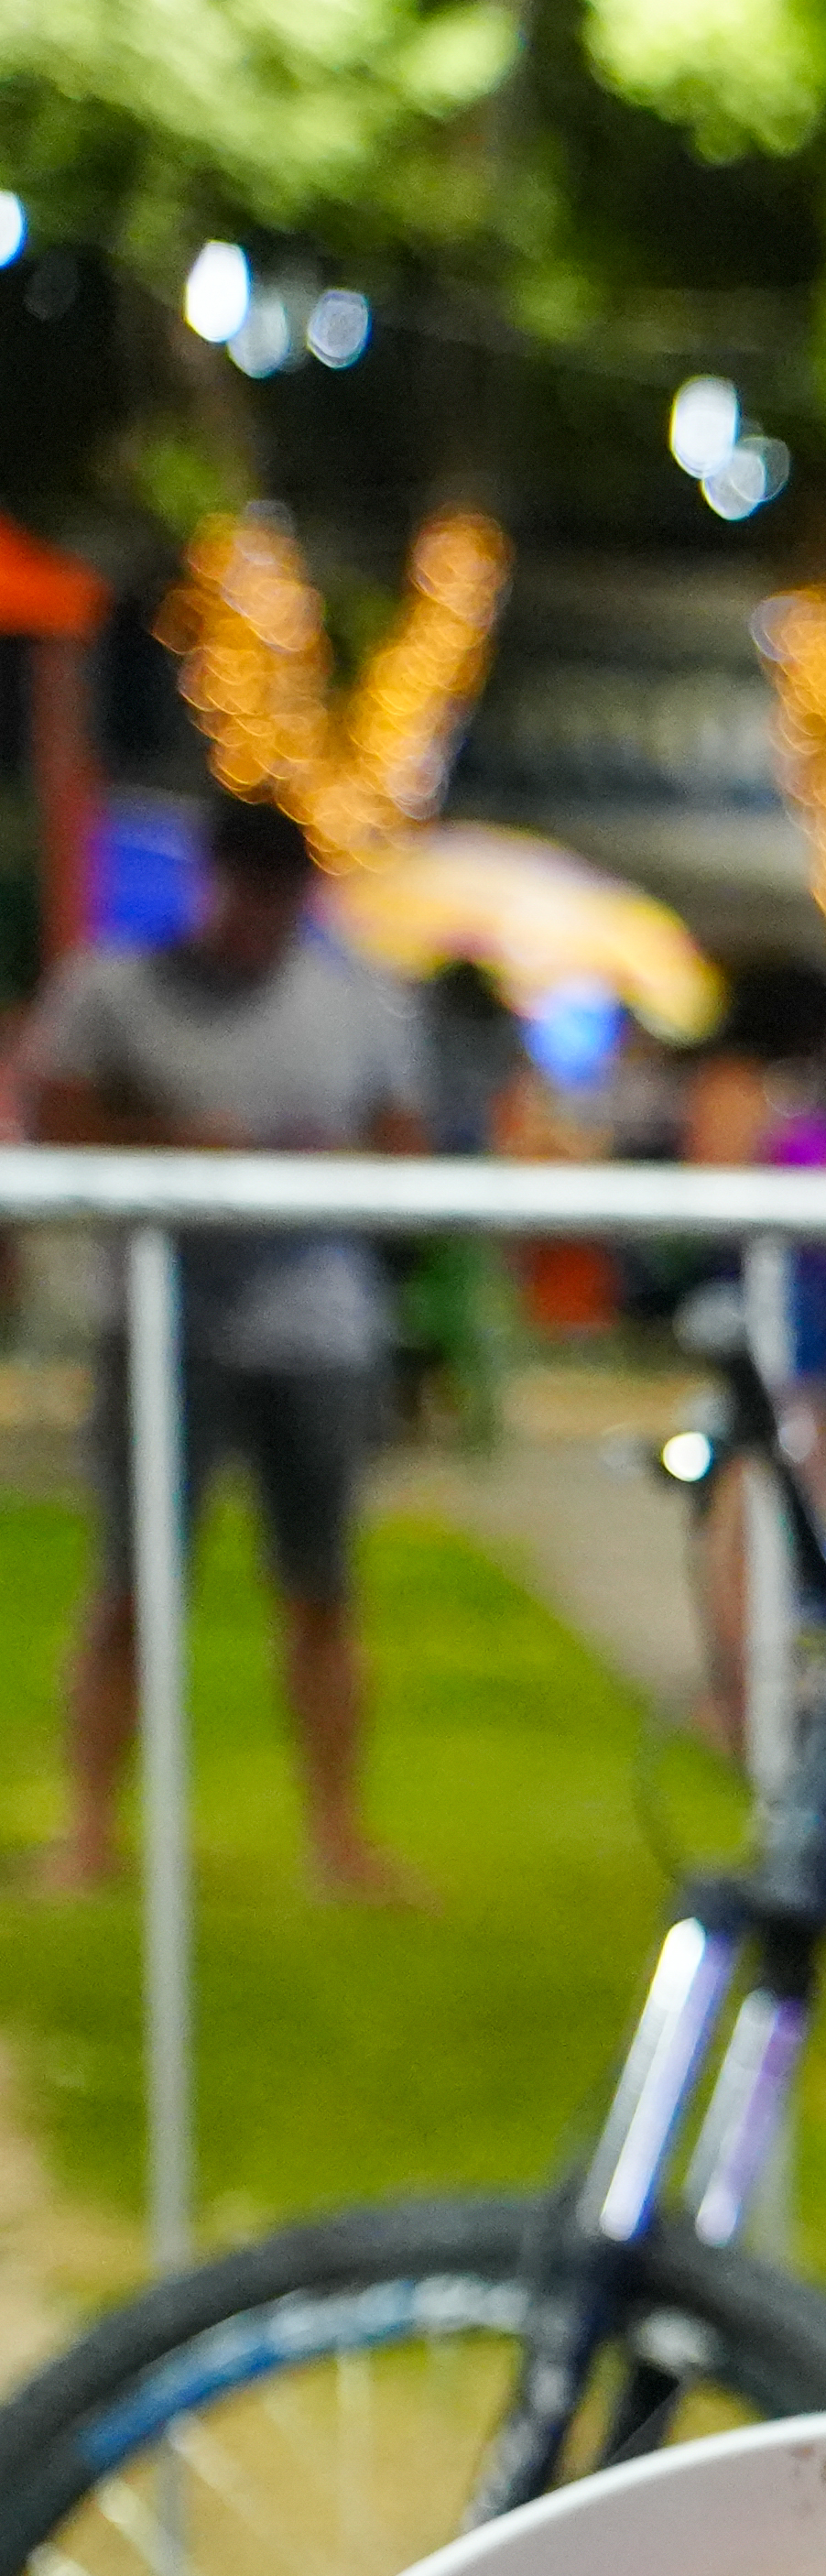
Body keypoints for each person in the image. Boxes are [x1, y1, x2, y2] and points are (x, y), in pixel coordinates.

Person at [27, 787, 430, 1900]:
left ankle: (339, 1838)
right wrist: (178, 1141)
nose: (258, 920)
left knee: (323, 1585)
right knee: (132, 1584)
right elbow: (54, 1123)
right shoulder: (115, 988)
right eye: (243, 893)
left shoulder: (358, 1001)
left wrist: (315, 1167)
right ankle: (91, 1834)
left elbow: (404, 1148)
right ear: (210, 884)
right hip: (160, 1320)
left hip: (317, 1329)